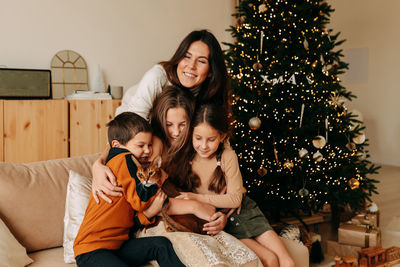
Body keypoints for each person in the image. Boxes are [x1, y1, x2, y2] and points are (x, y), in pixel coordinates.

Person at [92, 29, 231, 233]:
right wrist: (98, 165)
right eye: (186, 56)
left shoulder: (209, 95)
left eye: (201, 61)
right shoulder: (157, 77)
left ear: (211, 70)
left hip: (170, 142)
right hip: (133, 125)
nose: (191, 66)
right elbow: (126, 134)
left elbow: (219, 139)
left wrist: (230, 195)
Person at [137, 87, 261, 267]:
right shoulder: (153, 144)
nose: (176, 132)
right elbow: (117, 150)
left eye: (183, 124)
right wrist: (98, 165)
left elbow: (222, 187)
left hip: (202, 216)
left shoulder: (196, 144)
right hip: (167, 217)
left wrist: (222, 213)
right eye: (169, 124)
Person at [176, 102, 295, 267]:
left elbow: (235, 200)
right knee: (269, 259)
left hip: (246, 211)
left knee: (287, 262)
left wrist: (197, 197)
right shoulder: (185, 159)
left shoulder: (227, 156)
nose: (203, 146)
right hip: (227, 220)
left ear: (222, 136)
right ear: (191, 134)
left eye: (211, 140)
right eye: (198, 138)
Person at [73, 112, 185, 267]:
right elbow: (141, 201)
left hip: (117, 246)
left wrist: (149, 214)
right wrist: (160, 180)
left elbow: (130, 218)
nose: (147, 151)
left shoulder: (128, 173)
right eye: (141, 145)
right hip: (92, 250)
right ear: (118, 146)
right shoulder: (124, 159)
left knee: (161, 244)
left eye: (149, 145)